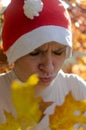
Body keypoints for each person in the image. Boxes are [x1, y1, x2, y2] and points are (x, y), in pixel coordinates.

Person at [0, 0, 86, 129]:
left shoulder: (77, 91)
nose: (49, 67)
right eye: (35, 53)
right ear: (15, 55)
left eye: (58, 52)